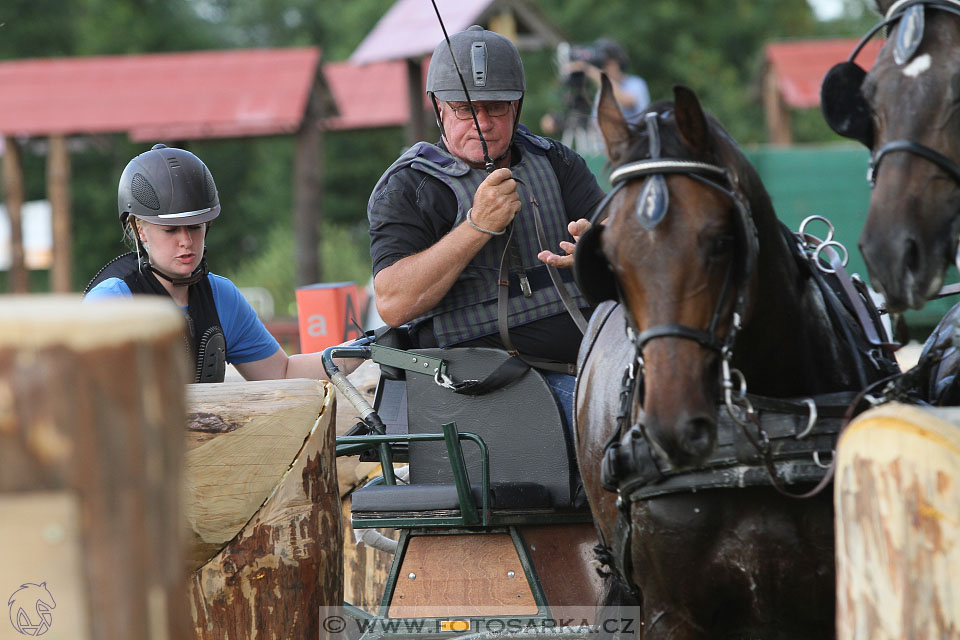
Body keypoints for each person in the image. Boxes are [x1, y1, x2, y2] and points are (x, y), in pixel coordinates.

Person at [367, 25, 607, 418]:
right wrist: (477, 226)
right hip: (476, 387)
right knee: (613, 420)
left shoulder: (556, 161)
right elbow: (393, 303)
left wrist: (599, 247)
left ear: (517, 107)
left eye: (496, 107)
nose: (483, 123)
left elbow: (620, 233)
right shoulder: (409, 187)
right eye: (465, 109)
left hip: (589, 359)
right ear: (439, 108)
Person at [85, 144, 356, 383]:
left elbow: (282, 374)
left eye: (195, 227)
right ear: (138, 229)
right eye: (170, 230)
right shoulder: (110, 303)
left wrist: (366, 347)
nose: (186, 241)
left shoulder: (221, 297)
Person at [567, 38, 649, 122]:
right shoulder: (601, 90)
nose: (604, 69)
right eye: (601, 66)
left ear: (618, 62)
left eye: (607, 64)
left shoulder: (636, 83)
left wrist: (593, 72)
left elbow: (626, 102)